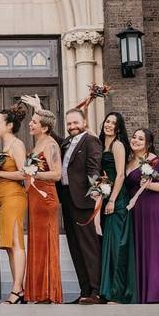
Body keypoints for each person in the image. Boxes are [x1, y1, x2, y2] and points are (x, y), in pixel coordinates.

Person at [126, 128, 159, 304]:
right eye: (134, 137)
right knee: (142, 247)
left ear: (148, 143)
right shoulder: (129, 161)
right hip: (137, 210)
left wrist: (147, 185)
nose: (136, 141)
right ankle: (144, 291)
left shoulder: (154, 160)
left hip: (154, 207)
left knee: (154, 247)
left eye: (141, 139)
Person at [57, 108, 103, 304]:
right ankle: (84, 290)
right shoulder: (67, 142)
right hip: (67, 199)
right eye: (69, 124)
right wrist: (41, 111)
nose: (72, 127)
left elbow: (94, 166)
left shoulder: (91, 140)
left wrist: (95, 192)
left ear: (84, 122)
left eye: (75, 123)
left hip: (84, 200)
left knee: (88, 246)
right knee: (75, 246)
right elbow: (55, 136)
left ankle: (97, 291)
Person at [0, 104, 28, 305]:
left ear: (9, 125)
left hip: (14, 196)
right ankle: (18, 287)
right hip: (3, 198)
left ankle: (17, 290)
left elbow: (24, 173)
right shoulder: (4, 147)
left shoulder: (16, 145)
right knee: (9, 246)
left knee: (16, 243)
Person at [24, 110, 63, 304]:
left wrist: (34, 174)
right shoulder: (37, 144)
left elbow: (57, 174)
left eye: (34, 122)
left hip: (46, 197)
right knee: (36, 243)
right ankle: (38, 292)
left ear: (45, 127)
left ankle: (48, 291)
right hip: (34, 198)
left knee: (46, 243)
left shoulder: (51, 144)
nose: (30, 124)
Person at [98, 112, 135, 304]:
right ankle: (107, 291)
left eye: (113, 123)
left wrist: (112, 200)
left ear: (118, 127)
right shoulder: (100, 143)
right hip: (105, 198)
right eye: (107, 121)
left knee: (116, 247)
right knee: (108, 246)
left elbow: (120, 175)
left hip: (117, 200)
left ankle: (118, 293)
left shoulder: (118, 145)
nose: (109, 125)